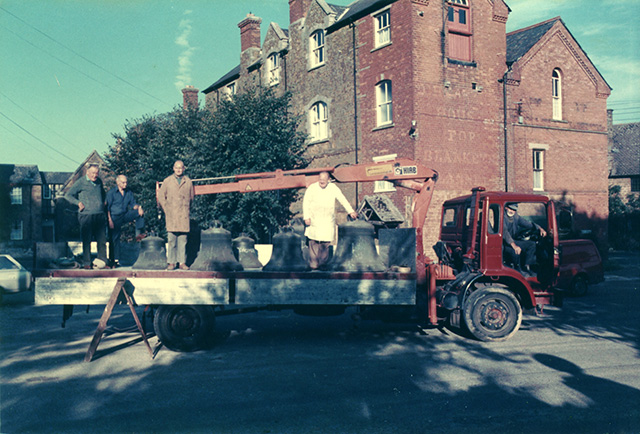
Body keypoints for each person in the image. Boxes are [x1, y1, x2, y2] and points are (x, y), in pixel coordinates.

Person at [303, 171, 358, 269]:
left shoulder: (333, 188)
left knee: (325, 244)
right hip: (314, 220)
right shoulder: (312, 188)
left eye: (324, 180)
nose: (322, 181)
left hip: (327, 221)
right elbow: (305, 203)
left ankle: (323, 266)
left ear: (328, 180)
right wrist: (306, 217)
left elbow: (342, 199)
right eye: (320, 179)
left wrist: (350, 211)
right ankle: (313, 267)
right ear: (318, 179)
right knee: (313, 242)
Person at [64, 163, 109, 269]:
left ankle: (103, 262)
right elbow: (68, 195)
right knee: (86, 240)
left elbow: (103, 194)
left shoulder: (99, 182)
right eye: (93, 173)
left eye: (97, 173)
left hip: (99, 215)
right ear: (87, 172)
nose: (95, 175)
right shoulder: (80, 182)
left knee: (102, 240)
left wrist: (103, 204)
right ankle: (87, 263)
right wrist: (78, 203)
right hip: (86, 215)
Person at [157, 160, 194, 270]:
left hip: (183, 215)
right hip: (171, 215)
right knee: (172, 240)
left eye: (180, 167)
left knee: (183, 240)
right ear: (173, 168)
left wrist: (186, 208)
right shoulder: (167, 181)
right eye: (176, 167)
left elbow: (192, 197)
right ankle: (171, 263)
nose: (178, 169)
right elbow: (161, 196)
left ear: (184, 169)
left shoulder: (188, 182)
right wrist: (166, 209)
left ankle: (182, 262)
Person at [106, 174, 145, 266]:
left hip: (125, 215)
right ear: (118, 183)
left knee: (139, 213)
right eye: (123, 182)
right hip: (114, 217)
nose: (125, 184)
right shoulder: (111, 193)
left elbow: (133, 205)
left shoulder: (128, 192)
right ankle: (114, 260)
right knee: (114, 238)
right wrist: (109, 220)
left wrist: (139, 207)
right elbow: (107, 208)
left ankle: (139, 235)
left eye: (126, 182)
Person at [503, 202, 547, 277]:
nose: (512, 211)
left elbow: (528, 224)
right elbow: (505, 233)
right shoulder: (502, 217)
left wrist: (540, 228)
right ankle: (517, 270)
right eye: (510, 208)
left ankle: (527, 267)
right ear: (506, 208)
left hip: (513, 241)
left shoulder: (516, 217)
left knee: (531, 245)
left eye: (514, 210)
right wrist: (514, 246)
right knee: (515, 251)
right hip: (502, 243)